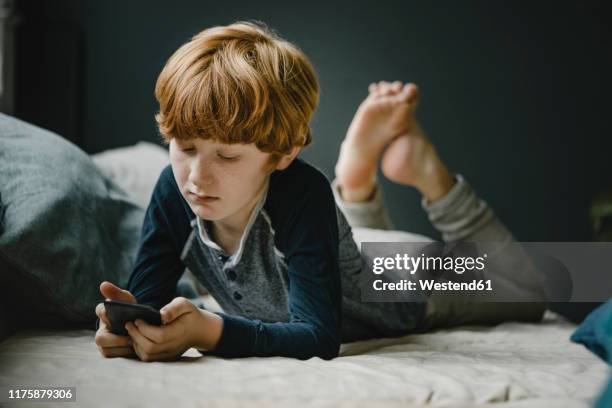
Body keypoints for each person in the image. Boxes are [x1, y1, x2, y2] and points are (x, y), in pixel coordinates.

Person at [94, 21, 546, 362]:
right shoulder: (174, 192)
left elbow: (320, 338)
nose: (196, 177)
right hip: (339, 253)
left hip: (401, 278)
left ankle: (429, 175)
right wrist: (131, 325)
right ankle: (356, 184)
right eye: (184, 147)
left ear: (283, 153)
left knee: (536, 290)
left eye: (227, 157)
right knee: (344, 247)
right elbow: (147, 299)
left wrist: (208, 332)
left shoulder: (302, 192)